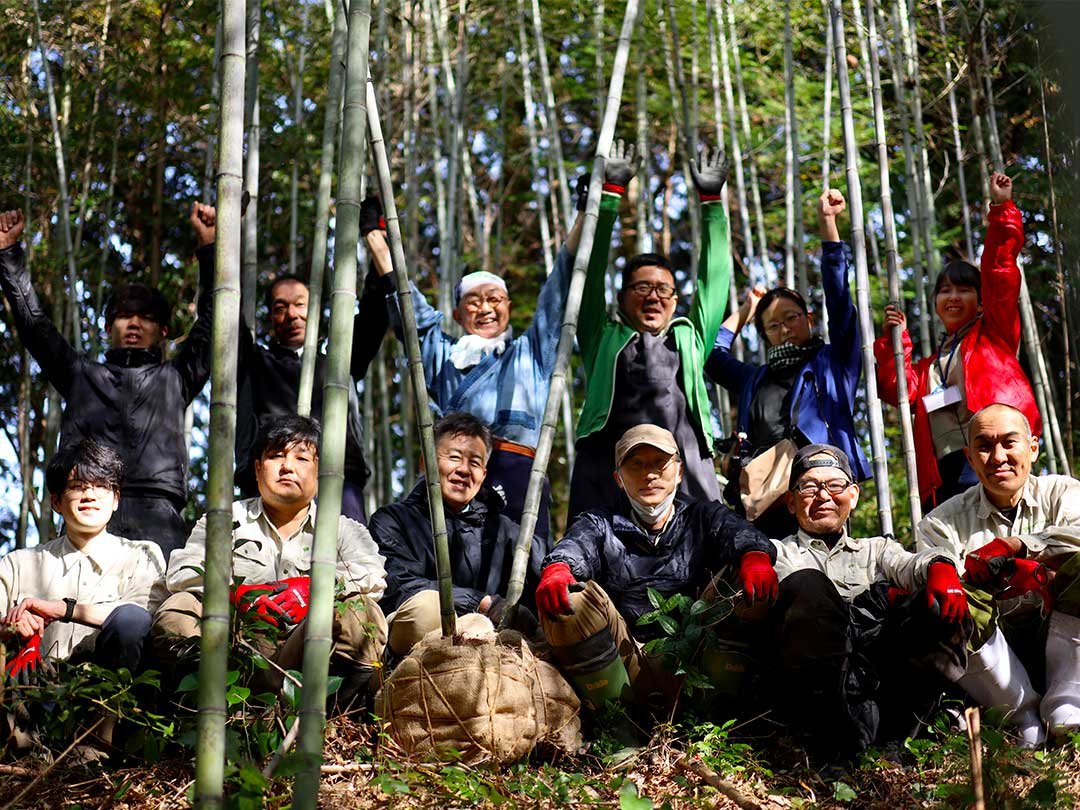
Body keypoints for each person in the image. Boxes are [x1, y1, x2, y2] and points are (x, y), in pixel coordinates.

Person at [361, 194, 585, 539]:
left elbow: (561, 284)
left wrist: (587, 212)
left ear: (508, 307)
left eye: (494, 299)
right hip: (455, 474)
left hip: (518, 473)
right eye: (474, 301)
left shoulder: (532, 352)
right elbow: (407, 306)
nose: (486, 309)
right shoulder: (441, 354)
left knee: (523, 568)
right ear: (456, 314)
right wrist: (375, 238)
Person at [0, 206, 217, 558]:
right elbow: (35, 327)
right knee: (73, 608)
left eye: (145, 318)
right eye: (123, 316)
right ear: (107, 328)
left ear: (162, 332)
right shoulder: (81, 375)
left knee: (158, 608)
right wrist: (8, 254)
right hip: (88, 504)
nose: (133, 324)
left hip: (158, 512)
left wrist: (209, 246)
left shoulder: (176, 377)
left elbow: (211, 325)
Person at [535, 424, 776, 727]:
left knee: (748, 583)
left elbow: (739, 533)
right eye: (636, 465)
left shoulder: (703, 515)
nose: (649, 474)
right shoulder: (600, 523)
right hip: (625, 659)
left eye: (659, 464)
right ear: (618, 479)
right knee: (570, 601)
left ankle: (714, 726)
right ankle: (618, 729)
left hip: (694, 656)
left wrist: (754, 556)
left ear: (678, 472)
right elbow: (574, 546)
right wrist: (558, 569)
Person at [152, 415, 388, 708]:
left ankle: (326, 721)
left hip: (308, 654)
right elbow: (181, 572)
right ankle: (209, 717)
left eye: (302, 458)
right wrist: (236, 595)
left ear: (320, 472)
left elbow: (373, 577)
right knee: (179, 609)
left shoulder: (342, 528)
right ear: (257, 468)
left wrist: (313, 588)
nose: (287, 466)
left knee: (363, 613)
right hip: (233, 648)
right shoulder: (224, 519)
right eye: (276, 456)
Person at [770, 444, 970, 759]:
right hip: (816, 694)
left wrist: (941, 568)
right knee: (807, 585)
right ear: (791, 502)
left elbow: (911, 565)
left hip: (881, 678)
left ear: (853, 495)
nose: (823, 496)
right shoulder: (778, 552)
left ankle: (900, 737)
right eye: (809, 487)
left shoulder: (876, 550)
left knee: (934, 605)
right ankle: (831, 746)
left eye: (834, 485)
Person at [570, 142, 732, 518]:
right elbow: (590, 276)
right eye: (642, 288)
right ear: (623, 297)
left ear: (676, 300)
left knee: (709, 552)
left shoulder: (689, 337)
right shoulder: (603, 336)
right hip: (606, 461)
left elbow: (715, 281)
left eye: (663, 289)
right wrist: (610, 196)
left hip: (684, 460)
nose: (654, 296)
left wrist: (711, 203)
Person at [705, 189, 869, 539]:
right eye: (774, 326)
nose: (785, 329)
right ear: (765, 335)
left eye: (791, 318)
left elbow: (840, 303)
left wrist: (828, 225)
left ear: (809, 318)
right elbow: (711, 358)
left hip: (819, 488)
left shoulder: (834, 362)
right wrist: (746, 310)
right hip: (765, 492)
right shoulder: (755, 377)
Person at [917, 403, 1080, 745]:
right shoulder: (940, 522)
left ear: (1033, 447)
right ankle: (1021, 715)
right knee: (937, 599)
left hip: (1064, 634)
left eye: (1009, 442)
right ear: (970, 457)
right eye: (984, 446)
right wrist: (979, 579)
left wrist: (1020, 546)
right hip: (996, 649)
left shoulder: (1063, 492)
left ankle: (1067, 703)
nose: (998, 456)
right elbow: (936, 565)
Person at [875, 172, 1040, 509]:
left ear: (980, 302)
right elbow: (896, 390)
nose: (952, 297)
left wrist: (1001, 209)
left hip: (989, 456)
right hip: (941, 469)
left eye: (963, 289)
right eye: (944, 290)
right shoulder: (929, 365)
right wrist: (897, 342)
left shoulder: (994, 335)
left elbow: (1000, 272)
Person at [370, 412, 547, 658]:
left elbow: (545, 572)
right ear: (425, 462)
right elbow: (397, 585)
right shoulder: (393, 520)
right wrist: (481, 602)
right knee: (428, 608)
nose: (464, 470)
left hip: (498, 644)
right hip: (418, 645)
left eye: (475, 462)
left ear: (484, 474)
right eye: (454, 457)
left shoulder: (505, 531)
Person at [0, 440, 165, 678]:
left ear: (116, 499)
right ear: (56, 502)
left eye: (101, 486)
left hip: (111, 693)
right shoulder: (17, 564)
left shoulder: (142, 556)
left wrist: (64, 610)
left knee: (131, 618)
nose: (89, 495)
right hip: (33, 690)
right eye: (77, 487)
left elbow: (144, 617)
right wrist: (12, 625)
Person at [235, 270, 387, 521]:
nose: (292, 315)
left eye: (300, 305)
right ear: (271, 317)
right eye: (280, 307)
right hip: (271, 482)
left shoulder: (338, 363)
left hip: (337, 480)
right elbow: (225, 316)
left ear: (315, 310)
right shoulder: (254, 363)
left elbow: (373, 316)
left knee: (346, 557)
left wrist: (377, 240)